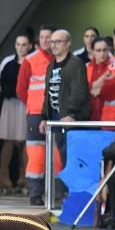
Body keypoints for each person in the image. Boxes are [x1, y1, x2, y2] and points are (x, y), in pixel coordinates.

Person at [17, 25, 56, 206]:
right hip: (35, 113)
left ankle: (57, 192)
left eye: (49, 37)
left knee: (57, 154)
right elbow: (21, 89)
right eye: (42, 37)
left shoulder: (61, 59)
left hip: (56, 113)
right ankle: (35, 194)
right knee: (36, 155)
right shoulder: (30, 60)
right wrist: (34, 104)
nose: (46, 40)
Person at [42, 29, 90, 169]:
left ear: (68, 44)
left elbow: (79, 91)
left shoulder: (76, 63)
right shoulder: (51, 65)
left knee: (72, 154)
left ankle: (75, 188)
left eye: (58, 41)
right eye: (52, 42)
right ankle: (68, 187)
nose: (53, 45)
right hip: (56, 116)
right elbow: (47, 93)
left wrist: (71, 114)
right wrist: (44, 116)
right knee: (62, 153)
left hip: (71, 118)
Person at [0, 33, 32, 192]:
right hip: (9, 104)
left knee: (25, 141)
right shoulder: (7, 63)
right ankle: (3, 175)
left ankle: (24, 176)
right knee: (8, 140)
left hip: (26, 104)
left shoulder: (33, 63)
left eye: (24, 44)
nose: (21, 48)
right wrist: (10, 93)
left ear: (30, 46)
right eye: (18, 44)